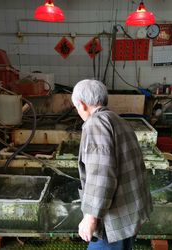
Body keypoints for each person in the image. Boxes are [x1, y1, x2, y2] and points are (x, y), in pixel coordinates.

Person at [71, 79, 153, 250]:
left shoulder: (95, 124)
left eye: (76, 107)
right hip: (130, 211)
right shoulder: (118, 120)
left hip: (114, 220)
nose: (78, 111)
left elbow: (101, 175)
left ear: (82, 104)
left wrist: (91, 218)